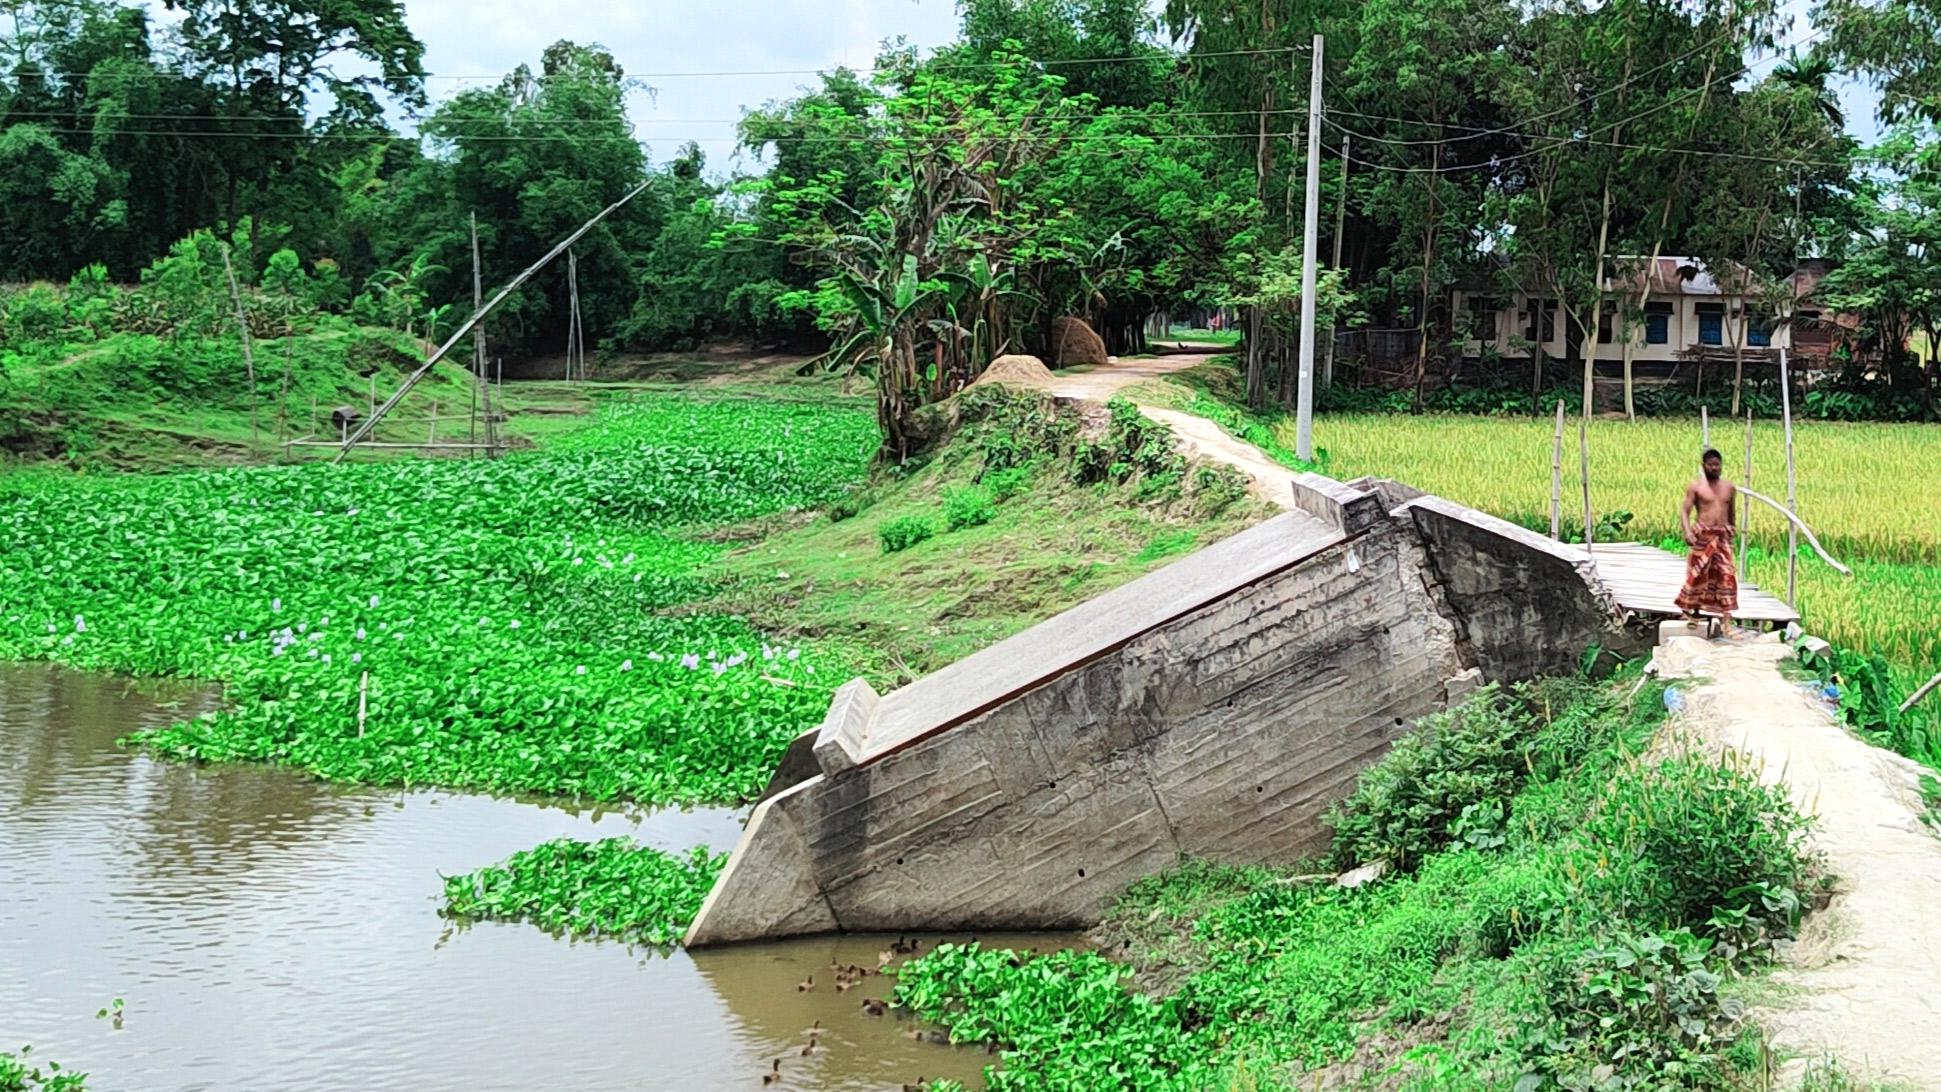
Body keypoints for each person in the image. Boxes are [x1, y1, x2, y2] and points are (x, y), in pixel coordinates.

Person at [1676, 447, 1738, 633]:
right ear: (1704, 466)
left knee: (1726, 576)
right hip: (1702, 535)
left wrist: (1732, 527)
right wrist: (1687, 532)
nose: (1714, 468)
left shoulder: (1729, 487)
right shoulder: (1696, 487)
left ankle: (1727, 620)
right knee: (1698, 575)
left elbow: (1731, 511)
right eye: (1710, 465)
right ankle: (1694, 613)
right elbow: (1684, 511)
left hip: (1722, 536)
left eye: (1717, 465)